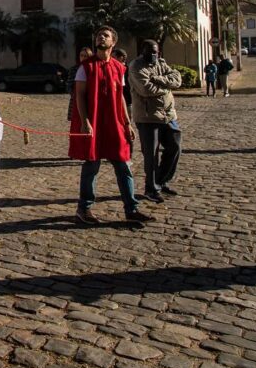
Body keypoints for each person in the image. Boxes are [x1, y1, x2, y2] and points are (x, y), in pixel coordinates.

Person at [70, 27, 152, 225]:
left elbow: (120, 97)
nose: (101, 37)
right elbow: (79, 95)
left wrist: (127, 122)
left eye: (105, 36)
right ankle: (84, 209)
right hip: (94, 123)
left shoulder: (118, 67)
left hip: (114, 123)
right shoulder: (85, 67)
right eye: (99, 35)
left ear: (113, 42)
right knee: (92, 165)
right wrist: (85, 121)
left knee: (123, 165)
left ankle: (131, 209)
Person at [128, 40, 183, 203]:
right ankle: (151, 188)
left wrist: (158, 79)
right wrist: (167, 87)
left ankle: (161, 180)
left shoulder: (161, 63)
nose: (153, 55)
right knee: (151, 155)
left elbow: (177, 79)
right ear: (142, 51)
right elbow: (146, 89)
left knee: (175, 147)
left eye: (156, 52)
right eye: (150, 52)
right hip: (148, 117)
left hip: (168, 115)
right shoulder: (136, 67)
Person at [67, 47, 93, 121]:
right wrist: (76, 95)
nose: (83, 58)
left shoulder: (93, 68)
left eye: (85, 56)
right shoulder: (74, 69)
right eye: (81, 55)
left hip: (90, 99)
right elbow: (69, 86)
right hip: (76, 99)